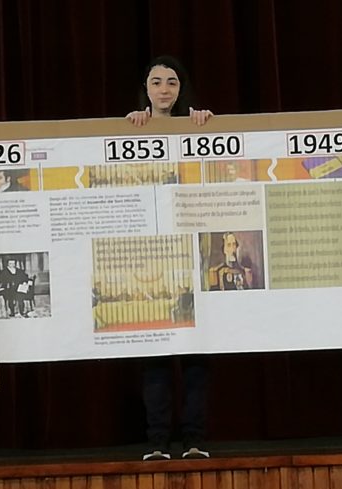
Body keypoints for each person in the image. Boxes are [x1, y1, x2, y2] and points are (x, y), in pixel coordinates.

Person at [126, 56, 213, 460]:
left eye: (172, 82)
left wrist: (206, 125)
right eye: (156, 82)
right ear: (145, 88)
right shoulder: (129, 129)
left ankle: (194, 440)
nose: (164, 89)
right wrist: (127, 127)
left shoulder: (197, 125)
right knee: (155, 360)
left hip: (191, 261)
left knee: (197, 360)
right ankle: (158, 443)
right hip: (152, 263)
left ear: (181, 89)